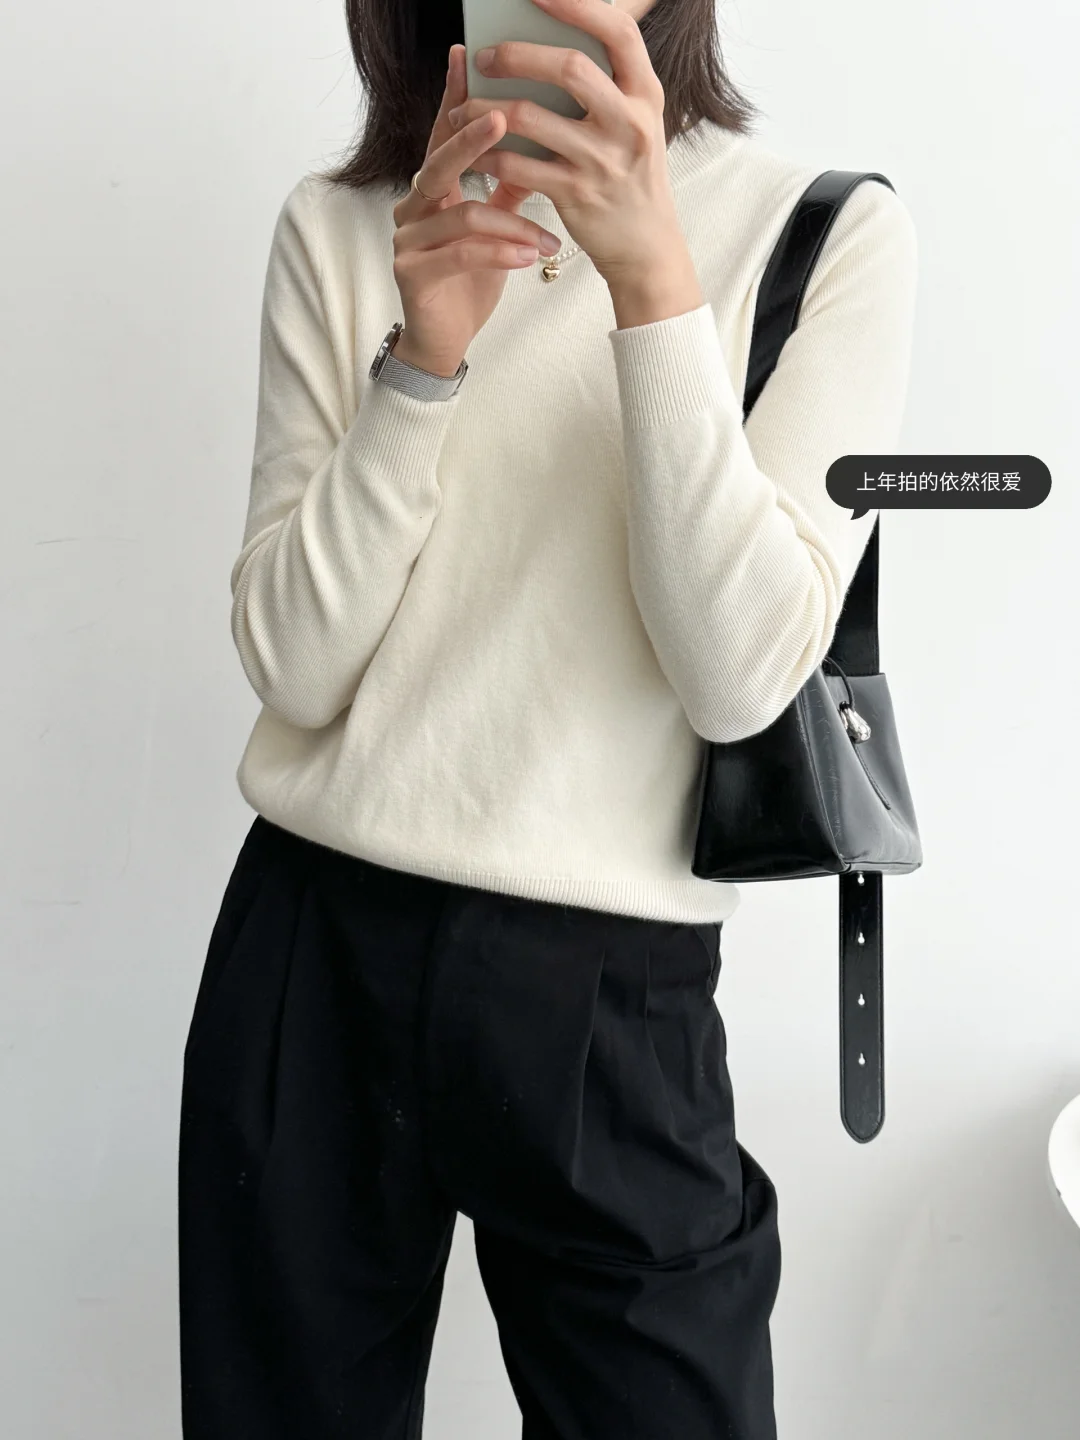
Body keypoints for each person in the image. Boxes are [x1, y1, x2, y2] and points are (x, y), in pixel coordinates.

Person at [176, 0, 917, 1435]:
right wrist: (421, 365)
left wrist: (654, 288)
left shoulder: (825, 235)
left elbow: (740, 676)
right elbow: (295, 666)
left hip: (608, 996)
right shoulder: (346, 227)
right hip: (315, 953)